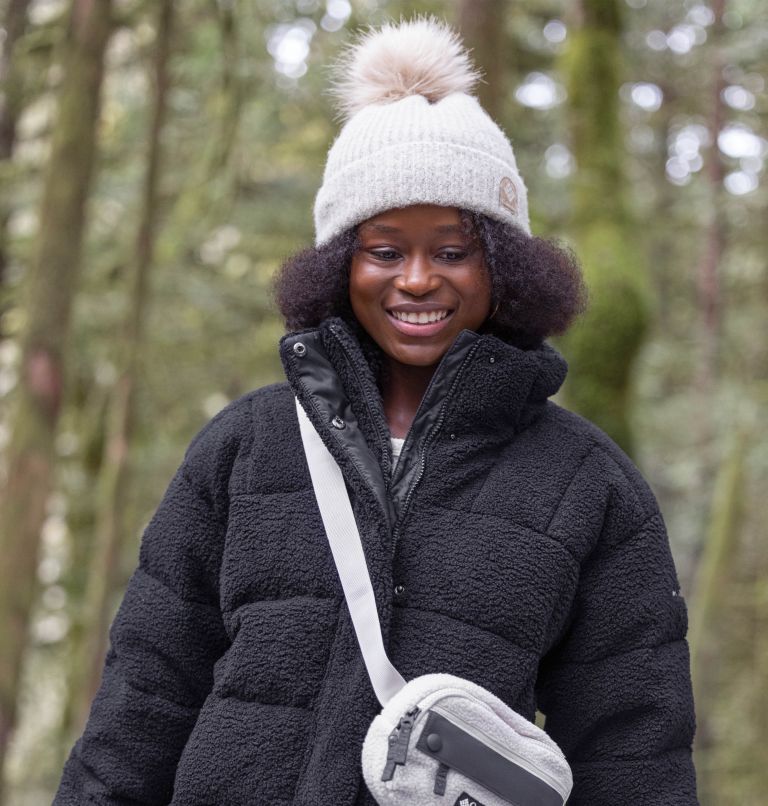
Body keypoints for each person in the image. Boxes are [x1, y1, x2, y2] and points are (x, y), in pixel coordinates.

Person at [55, 17, 698, 806]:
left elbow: (635, 756)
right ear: (339, 266)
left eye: (454, 251)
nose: (419, 279)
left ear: (506, 269)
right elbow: (144, 698)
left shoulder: (591, 486)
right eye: (385, 249)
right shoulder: (244, 447)